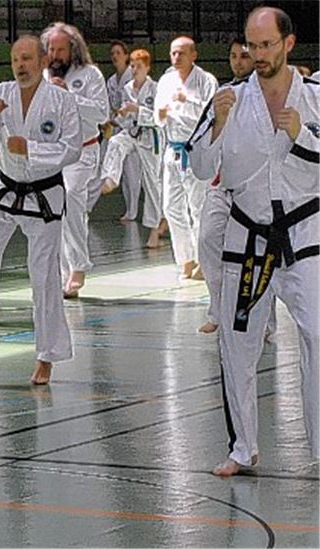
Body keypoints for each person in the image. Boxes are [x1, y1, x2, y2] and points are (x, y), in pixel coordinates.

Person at [189, 6, 318, 477]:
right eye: (251, 45)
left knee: (319, 335)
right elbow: (201, 167)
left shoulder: (316, 97)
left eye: (266, 45)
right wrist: (218, 127)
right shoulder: (229, 99)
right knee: (238, 344)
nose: (256, 54)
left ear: (288, 43)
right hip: (247, 240)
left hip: (305, 235)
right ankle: (243, 447)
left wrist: (302, 133)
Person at [0, 35, 81, 386]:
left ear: (42, 60)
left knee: (44, 277)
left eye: (26, 59)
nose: (20, 66)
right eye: (15, 60)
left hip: (45, 193)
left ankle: (46, 356)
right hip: (4, 187)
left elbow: (73, 149)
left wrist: (32, 149)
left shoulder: (61, 100)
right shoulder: (0, 94)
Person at [41, 22, 109, 299]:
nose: (55, 54)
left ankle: (78, 266)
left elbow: (102, 114)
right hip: (51, 152)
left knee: (71, 201)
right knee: (50, 211)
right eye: (51, 49)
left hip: (82, 151)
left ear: (73, 49)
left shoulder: (90, 75)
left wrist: (69, 96)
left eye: (60, 49)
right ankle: (57, 273)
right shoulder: (43, 74)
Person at [196, 38, 256, 336]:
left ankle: (263, 321)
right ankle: (217, 311)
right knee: (207, 240)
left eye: (243, 56)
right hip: (222, 182)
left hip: (257, 187)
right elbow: (204, 137)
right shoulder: (221, 93)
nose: (238, 62)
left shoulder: (266, 93)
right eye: (233, 56)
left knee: (255, 256)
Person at [155, 36, 217, 279]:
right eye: (173, 53)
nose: (176, 58)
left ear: (194, 55)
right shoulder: (166, 80)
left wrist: (187, 100)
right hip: (172, 149)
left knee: (198, 208)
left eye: (181, 53)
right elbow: (157, 117)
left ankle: (204, 261)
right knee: (171, 208)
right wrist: (160, 114)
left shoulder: (206, 80)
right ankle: (186, 259)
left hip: (195, 150)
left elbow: (211, 116)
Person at [99, 49, 165, 247]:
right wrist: (115, 119)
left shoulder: (155, 88)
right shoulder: (127, 88)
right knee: (115, 142)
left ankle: (154, 230)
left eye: (139, 66)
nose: (135, 70)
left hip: (150, 136)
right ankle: (111, 178)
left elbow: (159, 117)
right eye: (133, 66)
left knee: (152, 183)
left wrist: (137, 110)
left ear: (147, 68)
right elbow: (125, 117)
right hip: (132, 132)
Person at [105, 40, 142, 223]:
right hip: (116, 128)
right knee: (116, 168)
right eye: (112, 53)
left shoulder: (133, 79)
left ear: (126, 56)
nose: (114, 56)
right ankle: (129, 209)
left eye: (118, 53)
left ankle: (133, 211)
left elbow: (134, 107)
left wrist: (120, 116)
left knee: (132, 173)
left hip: (132, 129)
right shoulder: (111, 81)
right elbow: (109, 105)